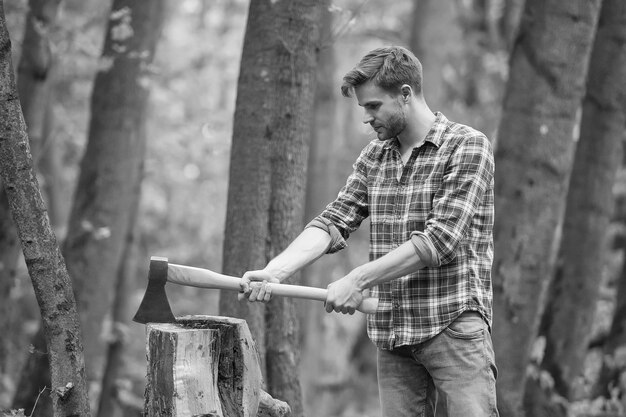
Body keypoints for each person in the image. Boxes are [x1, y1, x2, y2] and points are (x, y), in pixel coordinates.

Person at [240, 45, 498, 416]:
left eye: (373, 106)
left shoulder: (466, 146)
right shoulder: (374, 157)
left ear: (405, 94)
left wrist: (357, 280)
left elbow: (439, 241)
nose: (367, 118)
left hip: (453, 326)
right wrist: (275, 270)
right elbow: (333, 221)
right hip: (394, 334)